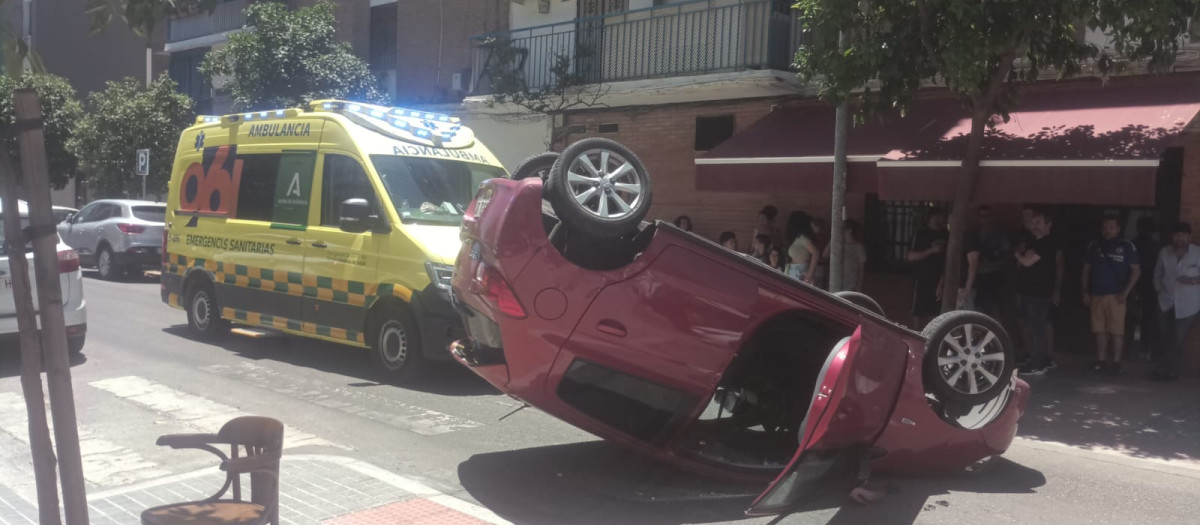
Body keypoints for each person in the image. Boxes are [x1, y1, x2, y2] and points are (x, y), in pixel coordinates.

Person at [1082, 216, 1141, 376]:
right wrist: (1085, 290)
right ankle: (1101, 360)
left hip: (1117, 296)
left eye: (1111, 227)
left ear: (1118, 229)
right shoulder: (1094, 245)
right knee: (1099, 329)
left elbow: (1136, 271)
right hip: (1096, 294)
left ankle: (1116, 362)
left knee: (1116, 330)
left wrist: (1125, 292)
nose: (1107, 230)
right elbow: (1086, 270)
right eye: (1105, 227)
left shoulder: (1127, 246)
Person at [1151, 222, 1200, 382]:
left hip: (1189, 304)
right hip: (1165, 301)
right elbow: (1157, 271)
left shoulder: (1197, 253)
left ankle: (1164, 370)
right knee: (1166, 336)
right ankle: (1171, 372)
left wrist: (1192, 280)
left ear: (1189, 236)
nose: (1180, 238)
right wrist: (1158, 288)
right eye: (1177, 235)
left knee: (1176, 336)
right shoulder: (1164, 252)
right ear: (1172, 237)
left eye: (1183, 235)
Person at [1015, 209, 1062, 376]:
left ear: (1048, 224)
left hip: (1040, 292)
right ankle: (1036, 358)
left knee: (1037, 328)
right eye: (1033, 223)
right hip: (1027, 290)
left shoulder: (1048, 243)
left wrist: (1017, 255)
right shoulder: (1033, 242)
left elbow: (1027, 262)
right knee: (1031, 325)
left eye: (1039, 223)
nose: (1035, 226)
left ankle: (1038, 364)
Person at [907, 207, 948, 329]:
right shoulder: (920, 234)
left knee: (935, 311)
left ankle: (931, 336)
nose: (939, 220)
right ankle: (916, 334)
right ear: (929, 218)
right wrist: (931, 250)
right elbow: (910, 256)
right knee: (917, 310)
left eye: (941, 217)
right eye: (936, 217)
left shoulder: (946, 235)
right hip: (921, 278)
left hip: (939, 278)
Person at [1128, 217, 1161, 361]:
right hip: (1150, 286)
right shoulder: (1156, 245)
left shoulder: (1133, 244)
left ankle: (1128, 349)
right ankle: (1145, 349)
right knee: (1147, 319)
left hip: (1135, 284)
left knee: (1131, 318)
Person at [970, 206, 1011, 316]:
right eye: (983, 216)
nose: (986, 219)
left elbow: (1007, 254)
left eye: (988, 215)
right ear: (978, 217)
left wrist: (995, 264)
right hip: (977, 276)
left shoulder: (1000, 234)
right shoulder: (974, 233)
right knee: (978, 307)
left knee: (995, 308)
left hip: (995, 276)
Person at [826, 219, 867, 292]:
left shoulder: (858, 247)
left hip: (851, 281)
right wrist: (832, 240)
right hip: (837, 280)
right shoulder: (839, 244)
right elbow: (825, 254)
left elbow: (861, 268)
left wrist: (859, 285)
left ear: (849, 230)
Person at [785, 211, 820, 283]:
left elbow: (815, 253)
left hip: (800, 271)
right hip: (792, 270)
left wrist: (810, 272)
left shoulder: (803, 238)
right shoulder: (796, 238)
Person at [812, 217, 831, 289]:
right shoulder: (826, 237)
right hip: (825, 265)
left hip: (818, 265)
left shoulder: (816, 238)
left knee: (818, 287)